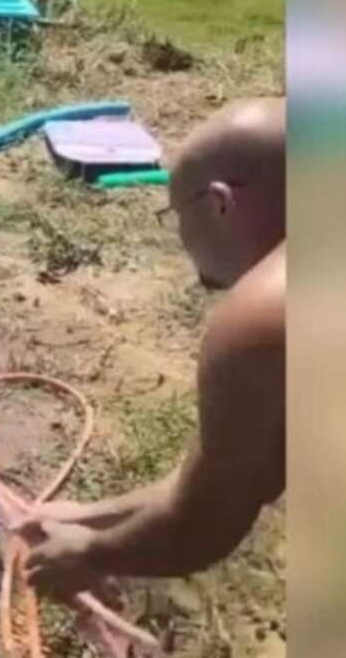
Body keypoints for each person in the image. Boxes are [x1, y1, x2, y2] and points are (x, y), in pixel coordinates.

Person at [19, 97, 286, 595]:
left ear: (220, 202)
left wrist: (91, 555)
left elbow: (205, 522)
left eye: (175, 214)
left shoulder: (262, 319)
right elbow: (256, 472)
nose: (182, 240)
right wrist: (92, 518)